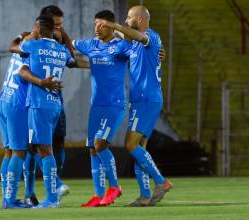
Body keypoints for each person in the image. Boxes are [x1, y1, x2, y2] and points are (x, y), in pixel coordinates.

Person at [96, 5, 172, 207]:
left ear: (139, 20)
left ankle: (161, 182)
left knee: (130, 144)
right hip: (140, 98)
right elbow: (123, 38)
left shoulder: (151, 36)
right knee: (140, 148)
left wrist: (113, 24)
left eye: (129, 17)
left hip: (147, 98)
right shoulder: (135, 44)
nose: (126, 20)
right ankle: (145, 195)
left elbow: (133, 35)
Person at [72, 10, 131, 207]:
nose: (97, 28)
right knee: (92, 149)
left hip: (115, 105)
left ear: (111, 26)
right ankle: (98, 195)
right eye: (95, 24)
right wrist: (57, 36)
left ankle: (114, 187)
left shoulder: (121, 46)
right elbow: (69, 43)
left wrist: (157, 53)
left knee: (100, 144)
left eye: (102, 25)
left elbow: (139, 50)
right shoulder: (91, 44)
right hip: (96, 105)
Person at [0, 34, 61, 209]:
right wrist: (42, 82)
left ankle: (10, 195)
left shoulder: (18, 52)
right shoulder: (32, 54)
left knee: (9, 153)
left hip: (4, 100)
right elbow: (24, 73)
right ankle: (11, 200)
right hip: (18, 105)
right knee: (20, 153)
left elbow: (15, 44)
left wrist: (19, 37)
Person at [19, 14, 74, 208]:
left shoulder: (33, 45)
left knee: (44, 149)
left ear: (39, 28)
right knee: (36, 147)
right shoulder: (61, 50)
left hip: (39, 103)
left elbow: (20, 46)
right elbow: (71, 58)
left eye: (35, 27)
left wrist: (31, 34)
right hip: (55, 104)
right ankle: (53, 189)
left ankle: (52, 196)